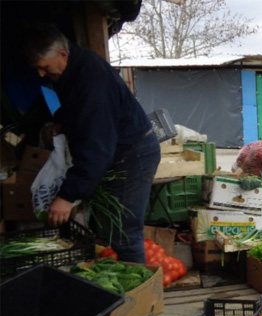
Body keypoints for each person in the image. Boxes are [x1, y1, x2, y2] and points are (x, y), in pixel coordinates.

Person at [21, 23, 160, 263]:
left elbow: (96, 148)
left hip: (133, 154)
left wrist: (67, 197)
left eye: (44, 68)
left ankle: (141, 296)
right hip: (118, 150)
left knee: (125, 233)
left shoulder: (91, 81)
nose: (41, 75)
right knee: (113, 230)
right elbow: (78, 110)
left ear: (62, 54)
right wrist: (62, 121)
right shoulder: (72, 70)